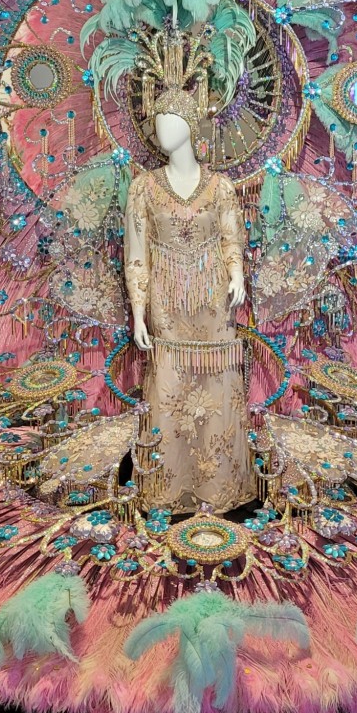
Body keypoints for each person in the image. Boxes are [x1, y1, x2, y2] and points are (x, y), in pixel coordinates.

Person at [124, 108, 254, 512]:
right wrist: (139, 311)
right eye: (158, 122)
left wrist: (237, 274)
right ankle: (168, 487)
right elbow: (136, 254)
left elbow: (231, 237)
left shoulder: (220, 187)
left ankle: (219, 486)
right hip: (166, 303)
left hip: (214, 302)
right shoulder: (143, 188)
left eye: (173, 121)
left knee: (218, 385)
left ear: (190, 127)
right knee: (169, 387)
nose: (163, 130)